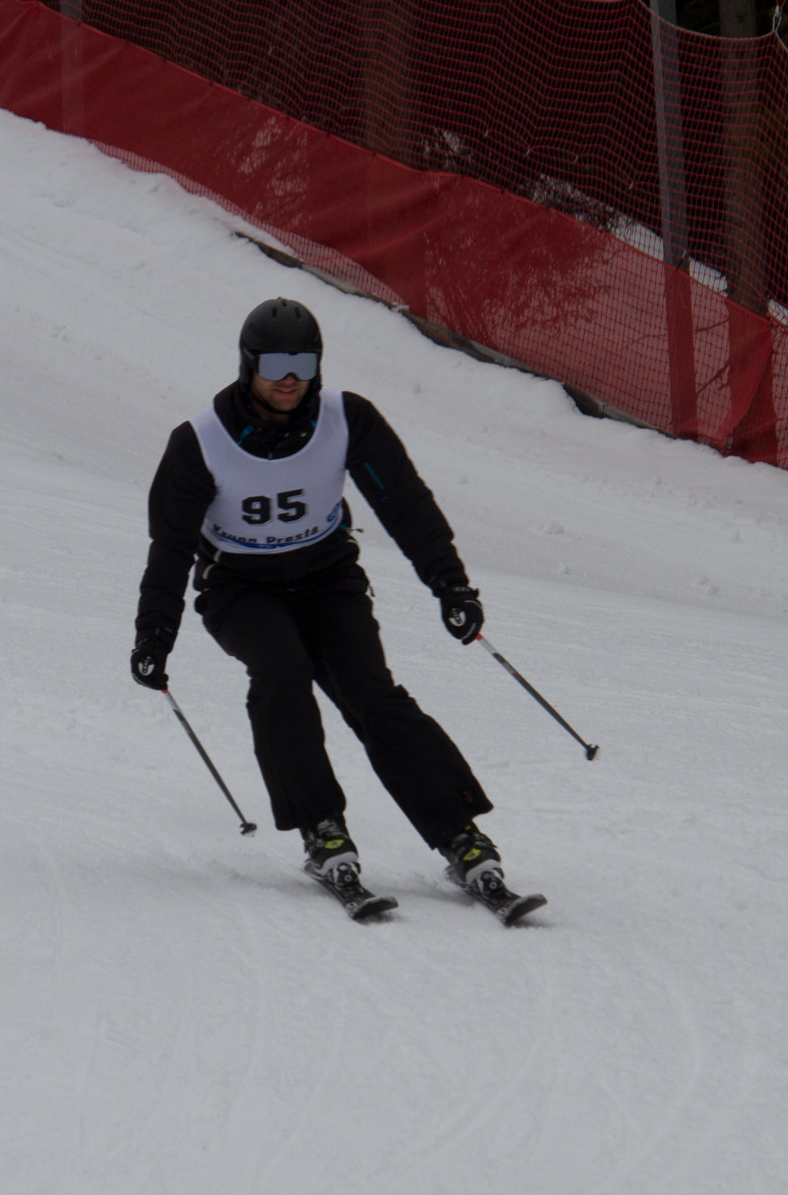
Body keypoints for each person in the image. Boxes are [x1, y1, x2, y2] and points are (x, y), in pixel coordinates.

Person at [130, 297, 531, 912]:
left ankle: (459, 833)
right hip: (239, 588)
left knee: (373, 695)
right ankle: (322, 829)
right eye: (275, 364)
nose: (290, 377)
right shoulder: (200, 442)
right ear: (248, 365)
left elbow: (406, 506)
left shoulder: (348, 419)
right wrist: (154, 635)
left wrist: (451, 586)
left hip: (327, 580)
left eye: (305, 362)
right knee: (281, 672)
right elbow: (170, 547)